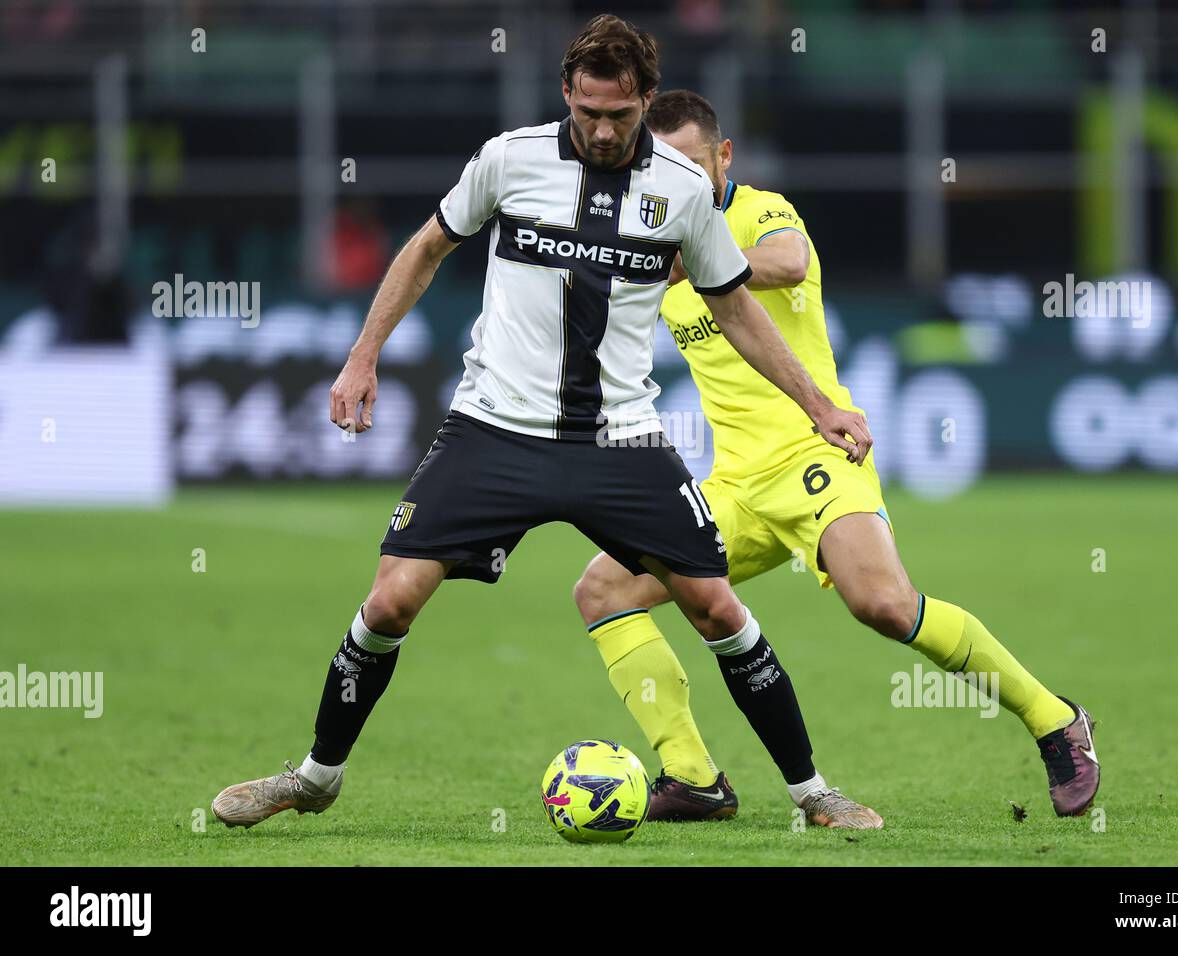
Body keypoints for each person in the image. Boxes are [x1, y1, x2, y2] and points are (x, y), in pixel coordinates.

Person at [211, 15, 880, 832]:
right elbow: (426, 248)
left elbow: (733, 303)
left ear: (643, 102)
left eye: (621, 116)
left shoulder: (680, 189)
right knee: (390, 601)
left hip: (619, 439)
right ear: (566, 93)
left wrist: (820, 406)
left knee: (715, 607)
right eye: (589, 111)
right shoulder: (509, 159)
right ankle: (315, 779)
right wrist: (362, 356)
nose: (603, 131)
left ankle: (814, 795)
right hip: (493, 428)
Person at [572, 90, 1101, 823]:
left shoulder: (757, 213)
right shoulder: (655, 240)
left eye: (696, 164)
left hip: (816, 454)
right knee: (604, 591)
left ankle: (1055, 721)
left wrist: (691, 263)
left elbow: (788, 264)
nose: (684, 180)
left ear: (724, 158)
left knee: (883, 604)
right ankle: (693, 778)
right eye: (667, 166)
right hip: (733, 486)